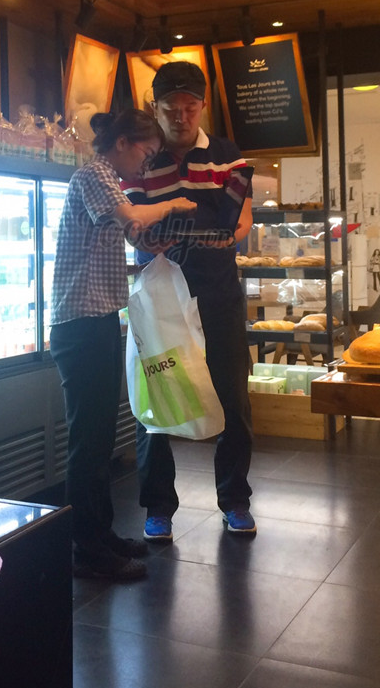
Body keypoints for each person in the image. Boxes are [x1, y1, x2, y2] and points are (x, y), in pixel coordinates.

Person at [49, 108, 196, 582]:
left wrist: (149, 251)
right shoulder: (94, 174)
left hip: (96, 321)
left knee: (99, 440)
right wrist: (173, 205)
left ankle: (100, 534)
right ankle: (86, 550)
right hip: (81, 325)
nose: (145, 166)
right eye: (145, 154)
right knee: (88, 442)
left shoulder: (105, 180)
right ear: (122, 144)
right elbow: (132, 215)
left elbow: (117, 237)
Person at [123, 60, 257, 539]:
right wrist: (144, 238)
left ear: (202, 105)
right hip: (159, 292)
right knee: (156, 395)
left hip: (217, 289)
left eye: (189, 107)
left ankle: (235, 499)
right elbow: (129, 217)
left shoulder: (224, 154)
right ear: (154, 107)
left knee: (233, 396)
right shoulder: (142, 157)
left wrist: (230, 236)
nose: (180, 117)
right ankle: (157, 507)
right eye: (170, 108)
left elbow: (243, 216)